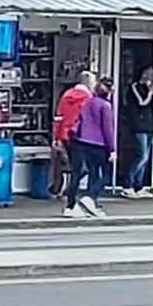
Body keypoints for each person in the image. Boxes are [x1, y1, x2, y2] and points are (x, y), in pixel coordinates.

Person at [72, 79, 116, 219]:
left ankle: (90, 206)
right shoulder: (105, 106)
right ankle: (90, 198)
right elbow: (108, 130)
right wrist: (112, 149)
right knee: (107, 175)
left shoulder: (88, 102)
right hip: (99, 143)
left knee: (93, 173)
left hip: (84, 141)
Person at [56, 70, 96, 217]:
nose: (94, 85)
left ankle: (71, 201)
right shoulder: (88, 98)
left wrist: (57, 138)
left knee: (77, 169)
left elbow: (59, 117)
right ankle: (71, 204)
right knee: (81, 170)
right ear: (88, 83)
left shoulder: (66, 95)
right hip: (81, 137)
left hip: (66, 135)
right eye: (93, 82)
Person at [120, 68, 153, 198]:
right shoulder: (134, 86)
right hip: (139, 127)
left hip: (150, 126)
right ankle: (127, 184)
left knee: (145, 158)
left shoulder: (148, 89)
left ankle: (138, 185)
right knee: (142, 156)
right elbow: (142, 103)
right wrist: (150, 93)